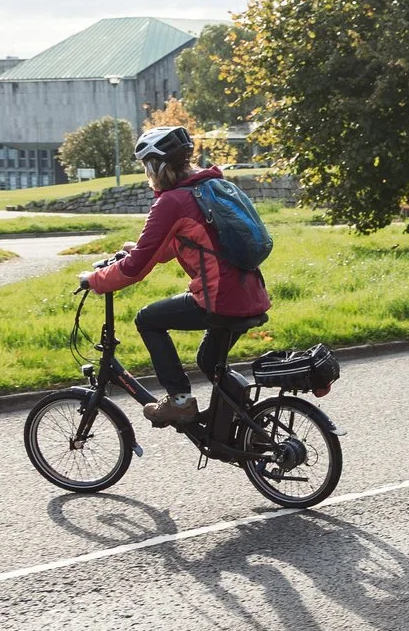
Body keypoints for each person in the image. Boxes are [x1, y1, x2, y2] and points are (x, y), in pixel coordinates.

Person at [81, 126, 270, 428]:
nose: (147, 173)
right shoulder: (208, 185)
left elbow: (135, 269)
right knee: (209, 362)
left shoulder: (171, 202)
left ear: (156, 166)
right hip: (251, 294)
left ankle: (180, 401)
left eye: (146, 166)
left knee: (147, 319)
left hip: (219, 299)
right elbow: (190, 241)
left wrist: (95, 280)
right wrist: (139, 249)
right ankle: (247, 426)